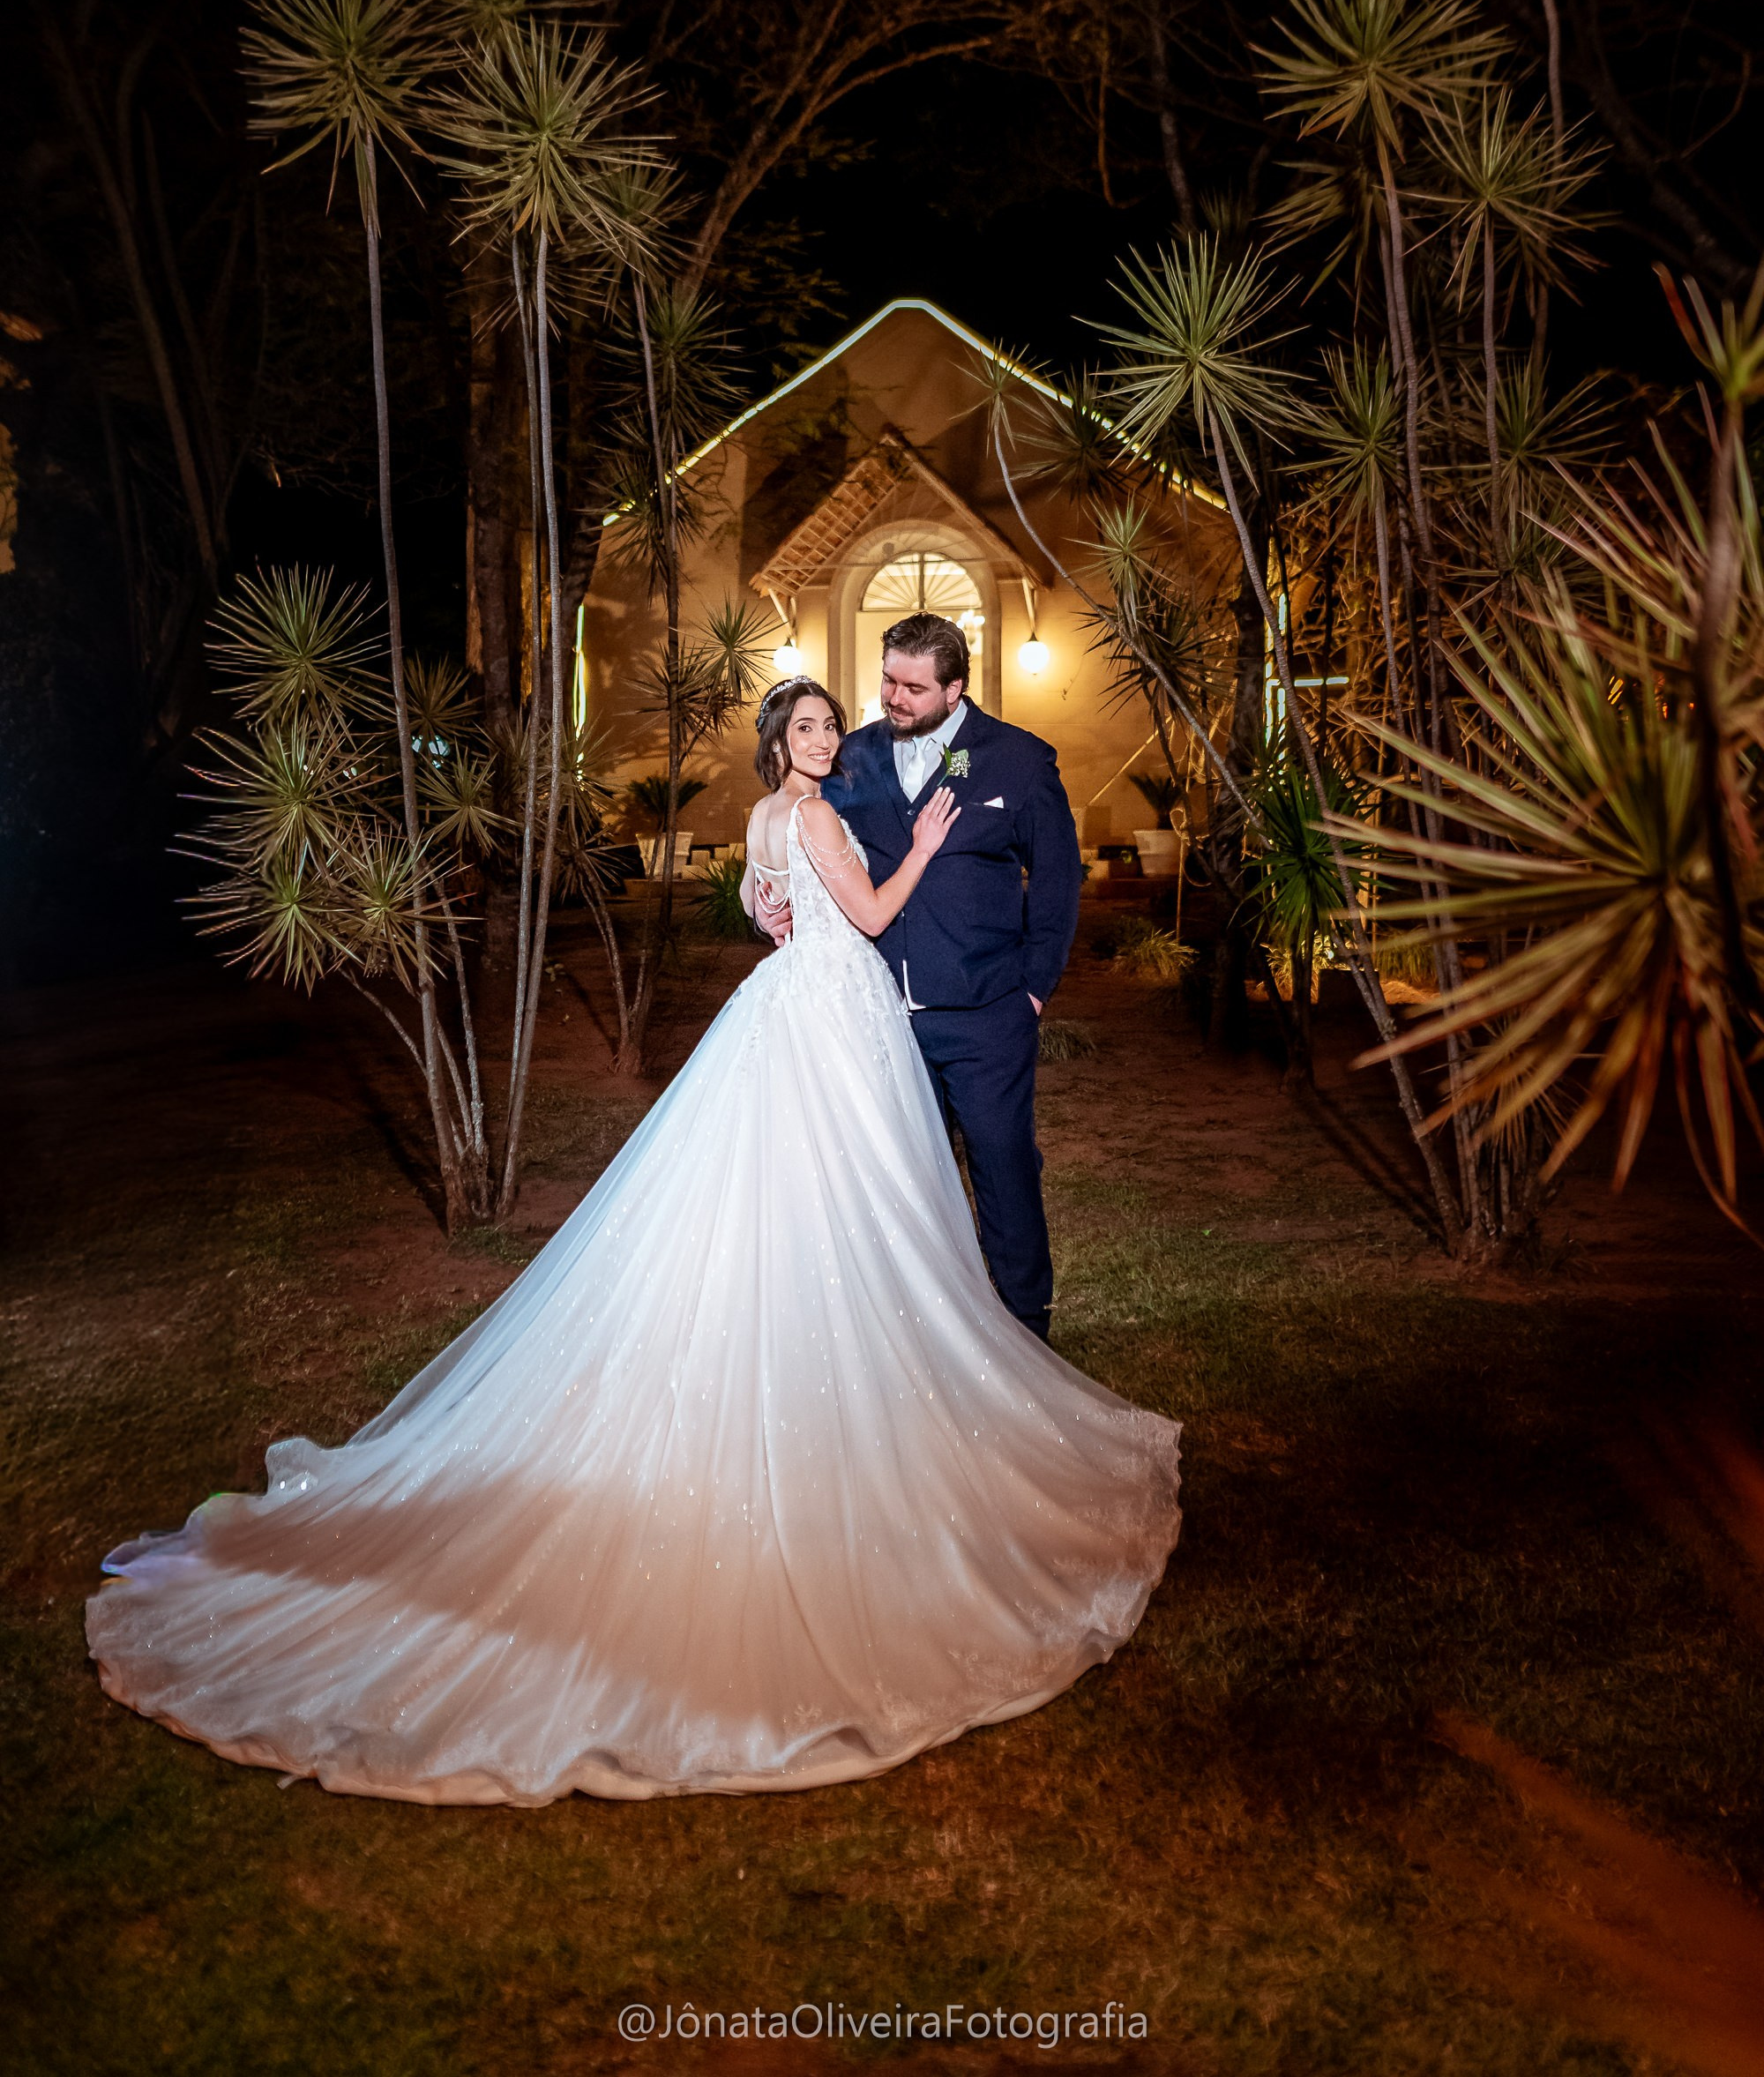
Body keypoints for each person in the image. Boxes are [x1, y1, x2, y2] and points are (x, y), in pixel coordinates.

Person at [86, 677, 1178, 1806]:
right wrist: (927, 844)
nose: (825, 737)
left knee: (796, 1194)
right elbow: (863, 916)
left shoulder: (758, 820)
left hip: (786, 1008)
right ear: (783, 747)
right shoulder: (805, 812)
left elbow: (771, 917)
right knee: (853, 1192)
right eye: (807, 728)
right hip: (837, 1012)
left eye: (827, 725)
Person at [752, 614, 1080, 1341]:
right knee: (904, 1184)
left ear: (956, 687)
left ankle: (1027, 1324)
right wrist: (774, 910)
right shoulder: (851, 758)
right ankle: (932, 1330)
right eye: (887, 681)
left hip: (985, 1013)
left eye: (913, 687)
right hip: (875, 1021)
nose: (894, 698)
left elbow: (1058, 881)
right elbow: (803, 853)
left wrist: (1031, 989)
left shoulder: (1014, 760)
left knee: (1002, 1165)